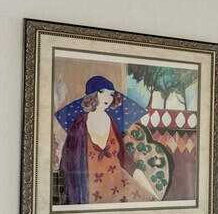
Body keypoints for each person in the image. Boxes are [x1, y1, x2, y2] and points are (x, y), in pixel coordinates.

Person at [59, 76, 157, 204]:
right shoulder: (80, 124)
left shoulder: (112, 121)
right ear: (92, 95)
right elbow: (69, 160)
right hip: (90, 189)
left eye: (111, 94)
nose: (108, 97)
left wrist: (150, 190)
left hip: (119, 184)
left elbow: (125, 158)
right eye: (102, 92)